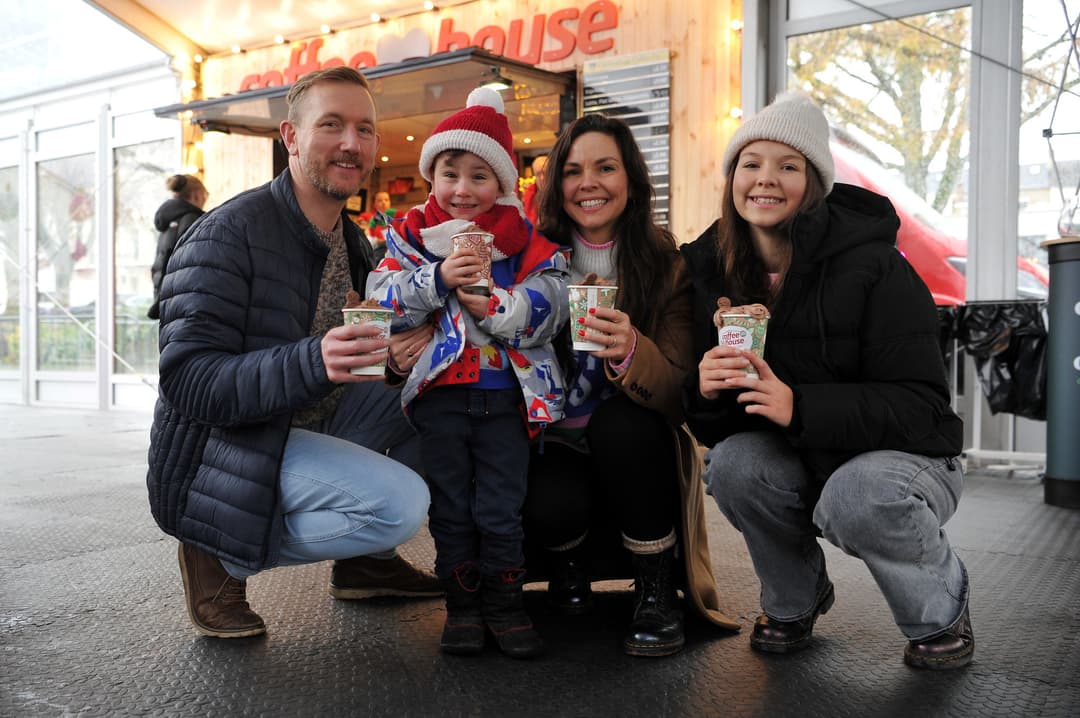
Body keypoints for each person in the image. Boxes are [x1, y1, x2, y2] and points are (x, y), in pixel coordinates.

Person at [146, 66, 442, 640]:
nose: (351, 143)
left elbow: (347, 357)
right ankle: (215, 550)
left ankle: (363, 564)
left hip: (308, 419)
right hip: (222, 446)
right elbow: (186, 381)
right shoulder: (226, 233)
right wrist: (313, 360)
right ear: (291, 138)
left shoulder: (350, 238)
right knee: (400, 506)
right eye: (331, 125)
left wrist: (394, 361)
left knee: (438, 391)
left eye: (364, 129)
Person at [681, 90, 973, 669]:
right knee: (734, 466)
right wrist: (705, 390)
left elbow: (921, 408)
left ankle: (940, 610)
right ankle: (795, 599)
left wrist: (800, 406)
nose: (766, 179)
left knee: (857, 495)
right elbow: (720, 427)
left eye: (788, 166)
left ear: (814, 183)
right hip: (803, 455)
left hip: (909, 458)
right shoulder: (708, 267)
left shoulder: (877, 267)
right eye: (751, 163)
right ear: (732, 176)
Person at [523, 113, 739, 658]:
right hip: (554, 438)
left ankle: (655, 589)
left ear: (631, 180)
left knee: (622, 424)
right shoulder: (529, 257)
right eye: (573, 171)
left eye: (605, 168)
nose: (588, 183)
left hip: (635, 441)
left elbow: (680, 394)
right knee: (547, 488)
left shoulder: (668, 265)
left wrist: (632, 350)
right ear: (557, 186)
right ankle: (566, 567)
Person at [368, 87, 569, 659]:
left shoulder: (524, 241)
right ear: (432, 175)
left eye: (479, 176)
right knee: (450, 505)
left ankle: (506, 606)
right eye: (450, 173)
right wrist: (435, 280)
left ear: (502, 184)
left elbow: (555, 304)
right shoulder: (409, 238)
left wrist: (499, 307)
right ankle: (461, 609)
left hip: (506, 399)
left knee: (502, 507)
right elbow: (380, 301)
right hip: (440, 400)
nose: (462, 189)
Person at [147, 173, 207, 320]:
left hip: (167, 302)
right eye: (206, 195)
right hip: (186, 305)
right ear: (197, 195)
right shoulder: (194, 220)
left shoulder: (169, 221)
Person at [360, 189, 396, 262]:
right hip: (375, 251)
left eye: (386, 200)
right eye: (380, 200)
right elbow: (363, 235)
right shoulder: (366, 216)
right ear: (374, 204)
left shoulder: (395, 219)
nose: (383, 203)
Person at [521, 154, 547, 226]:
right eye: (538, 174)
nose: (542, 178)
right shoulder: (528, 195)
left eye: (545, 173)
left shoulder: (564, 191)